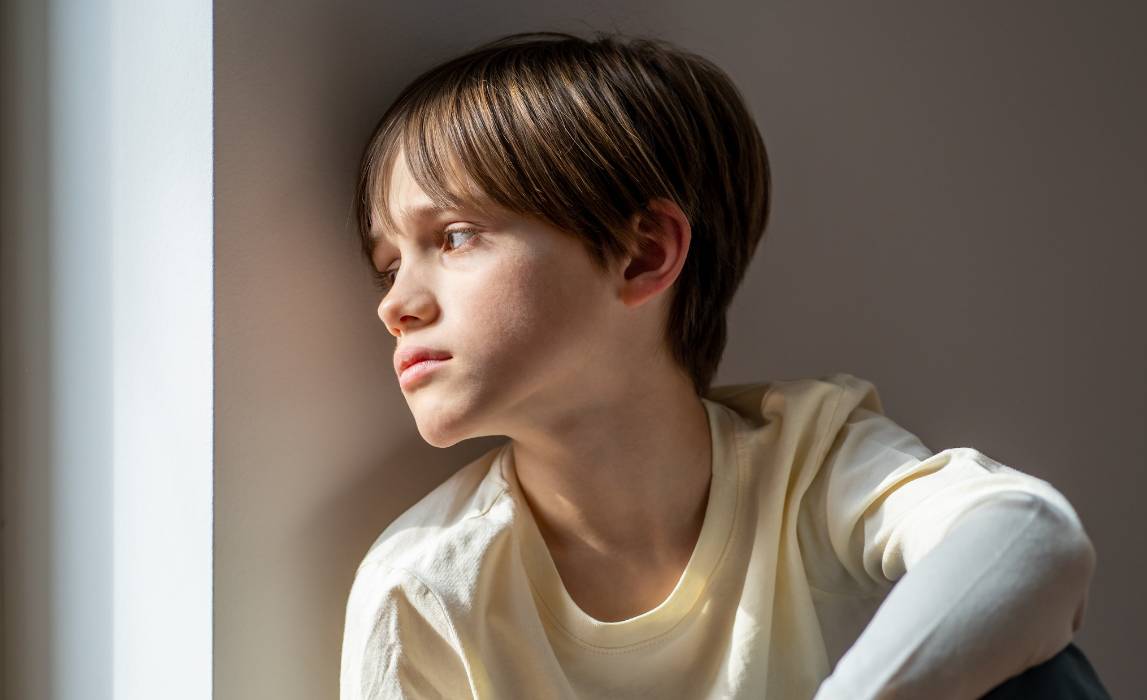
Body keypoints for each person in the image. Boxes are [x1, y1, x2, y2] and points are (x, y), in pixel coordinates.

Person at [339, 30, 1106, 699]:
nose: (395, 303)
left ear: (643, 255)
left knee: (1039, 670)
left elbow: (1027, 534)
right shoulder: (424, 589)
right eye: (386, 264)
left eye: (456, 235)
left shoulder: (809, 462)